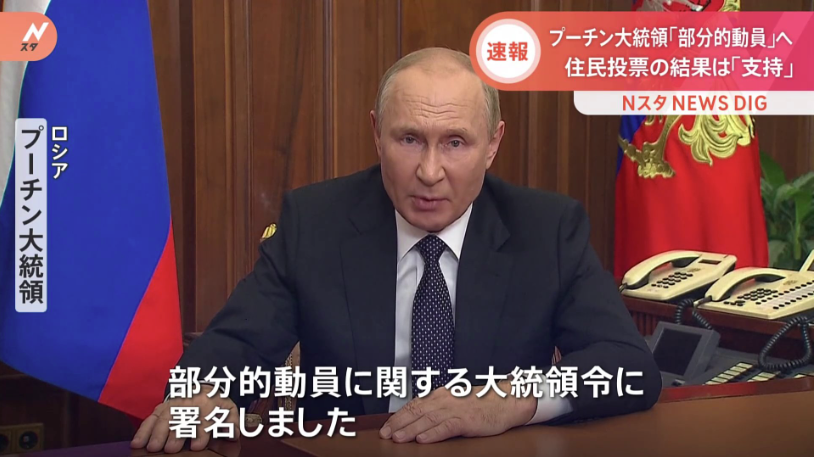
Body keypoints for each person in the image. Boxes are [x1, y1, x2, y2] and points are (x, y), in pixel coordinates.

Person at [132, 47, 661, 454]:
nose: (429, 172)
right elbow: (237, 343)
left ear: (493, 143)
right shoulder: (316, 222)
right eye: (409, 139)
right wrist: (201, 395)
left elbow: (629, 366)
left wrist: (511, 399)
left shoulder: (546, 229)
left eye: (455, 142)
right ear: (376, 133)